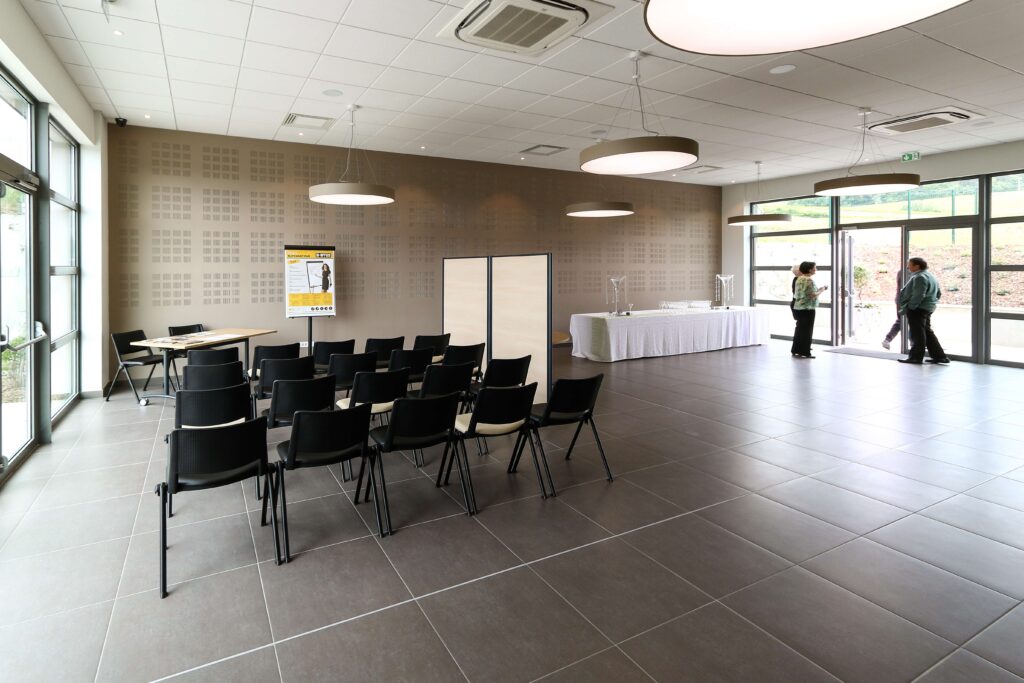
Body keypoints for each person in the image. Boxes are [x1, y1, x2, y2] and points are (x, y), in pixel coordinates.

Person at [897, 257, 949, 364]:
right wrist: (931, 303)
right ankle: (940, 357)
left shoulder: (920, 277)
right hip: (927, 308)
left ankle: (915, 357)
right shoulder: (931, 276)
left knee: (918, 334)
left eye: (910, 264)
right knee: (927, 332)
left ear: (917, 266)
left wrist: (911, 307)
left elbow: (919, 294)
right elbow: (938, 293)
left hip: (918, 309)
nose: (908, 267)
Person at [791, 261, 826, 359]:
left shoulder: (799, 279)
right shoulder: (809, 280)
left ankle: (796, 350)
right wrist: (822, 289)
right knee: (807, 331)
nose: (816, 269)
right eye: (815, 267)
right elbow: (812, 295)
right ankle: (805, 352)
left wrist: (817, 290)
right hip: (807, 308)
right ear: (810, 269)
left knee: (799, 329)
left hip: (798, 307)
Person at [881, 270, 904, 350]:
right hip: (903, 301)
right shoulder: (904, 272)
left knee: (901, 321)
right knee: (901, 321)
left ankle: (887, 339)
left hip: (900, 300)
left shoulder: (901, 272)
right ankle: (887, 339)